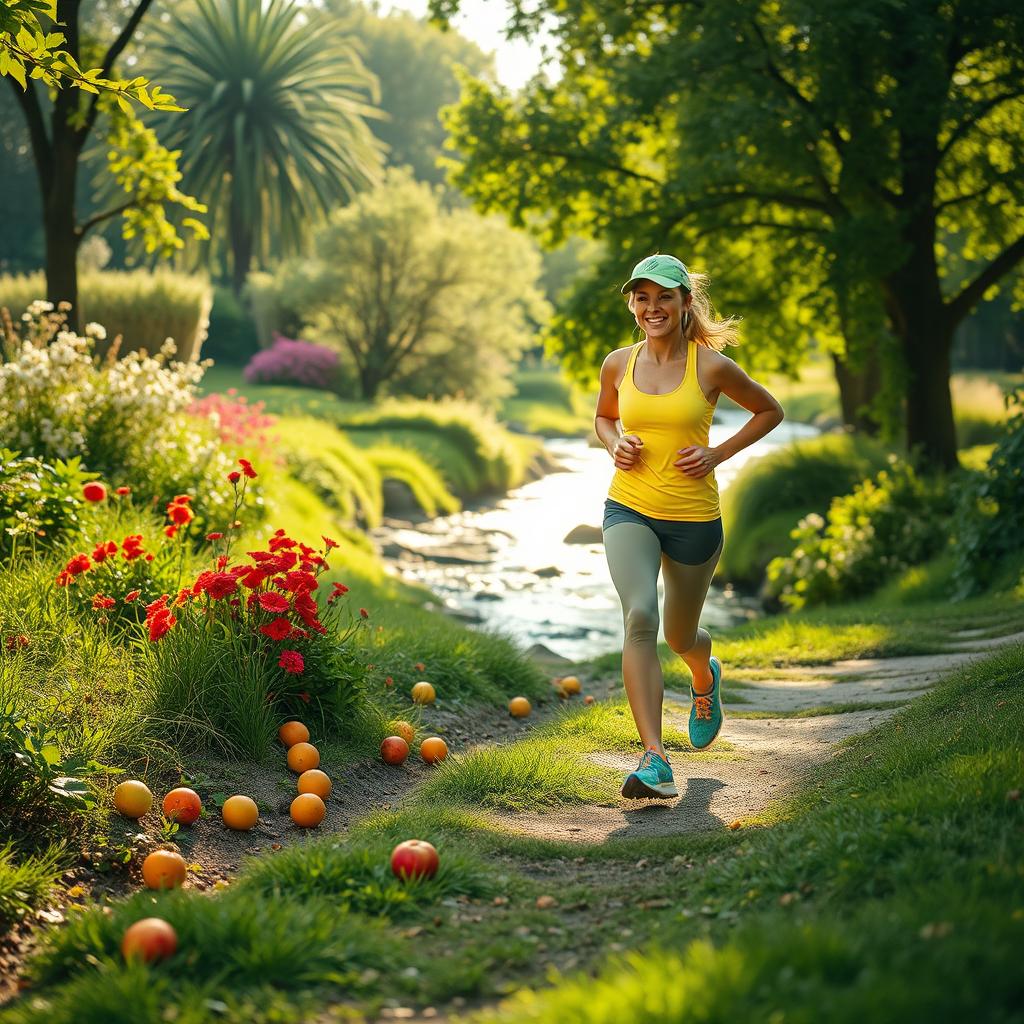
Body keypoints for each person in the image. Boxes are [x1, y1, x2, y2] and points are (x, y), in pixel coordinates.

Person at [594, 253, 784, 799]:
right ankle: (654, 757)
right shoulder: (617, 363)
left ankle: (704, 676)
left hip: (694, 520)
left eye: (664, 297)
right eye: (642, 298)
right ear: (632, 304)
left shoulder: (710, 366)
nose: (652, 308)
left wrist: (716, 453)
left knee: (679, 635)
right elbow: (605, 417)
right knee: (638, 617)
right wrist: (615, 443)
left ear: (684, 304)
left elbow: (768, 410)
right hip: (629, 507)